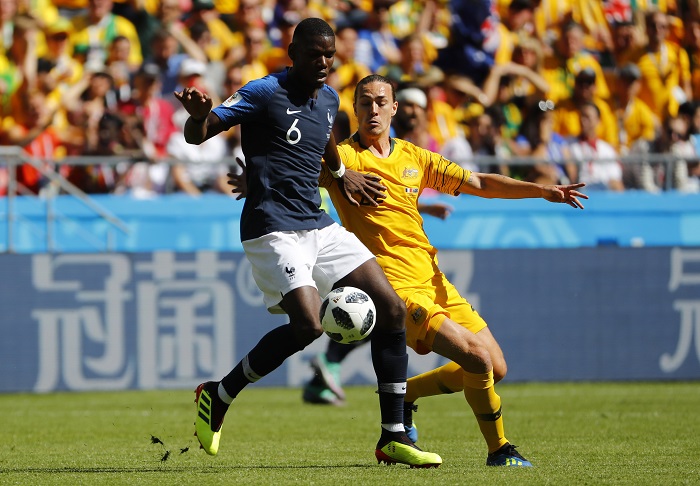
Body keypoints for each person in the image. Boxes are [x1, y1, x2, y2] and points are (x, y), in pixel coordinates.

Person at [256, 73, 587, 467]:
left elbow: (479, 181)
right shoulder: (342, 160)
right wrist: (256, 180)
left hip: (434, 280)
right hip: (395, 289)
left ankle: (406, 394)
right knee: (476, 360)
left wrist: (542, 190)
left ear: (394, 108)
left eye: (381, 101)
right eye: (365, 102)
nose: (373, 109)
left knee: (495, 367)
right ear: (355, 109)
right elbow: (295, 173)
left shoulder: (415, 157)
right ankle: (500, 450)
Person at [173, 18, 442, 468]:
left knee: (392, 308)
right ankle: (218, 395)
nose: (323, 62)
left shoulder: (331, 98)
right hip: (272, 225)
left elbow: (325, 141)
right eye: (314, 54)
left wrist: (341, 174)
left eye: (329, 55)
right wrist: (199, 117)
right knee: (308, 327)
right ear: (292, 51)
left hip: (317, 223)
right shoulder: (263, 91)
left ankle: (393, 434)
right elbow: (199, 133)